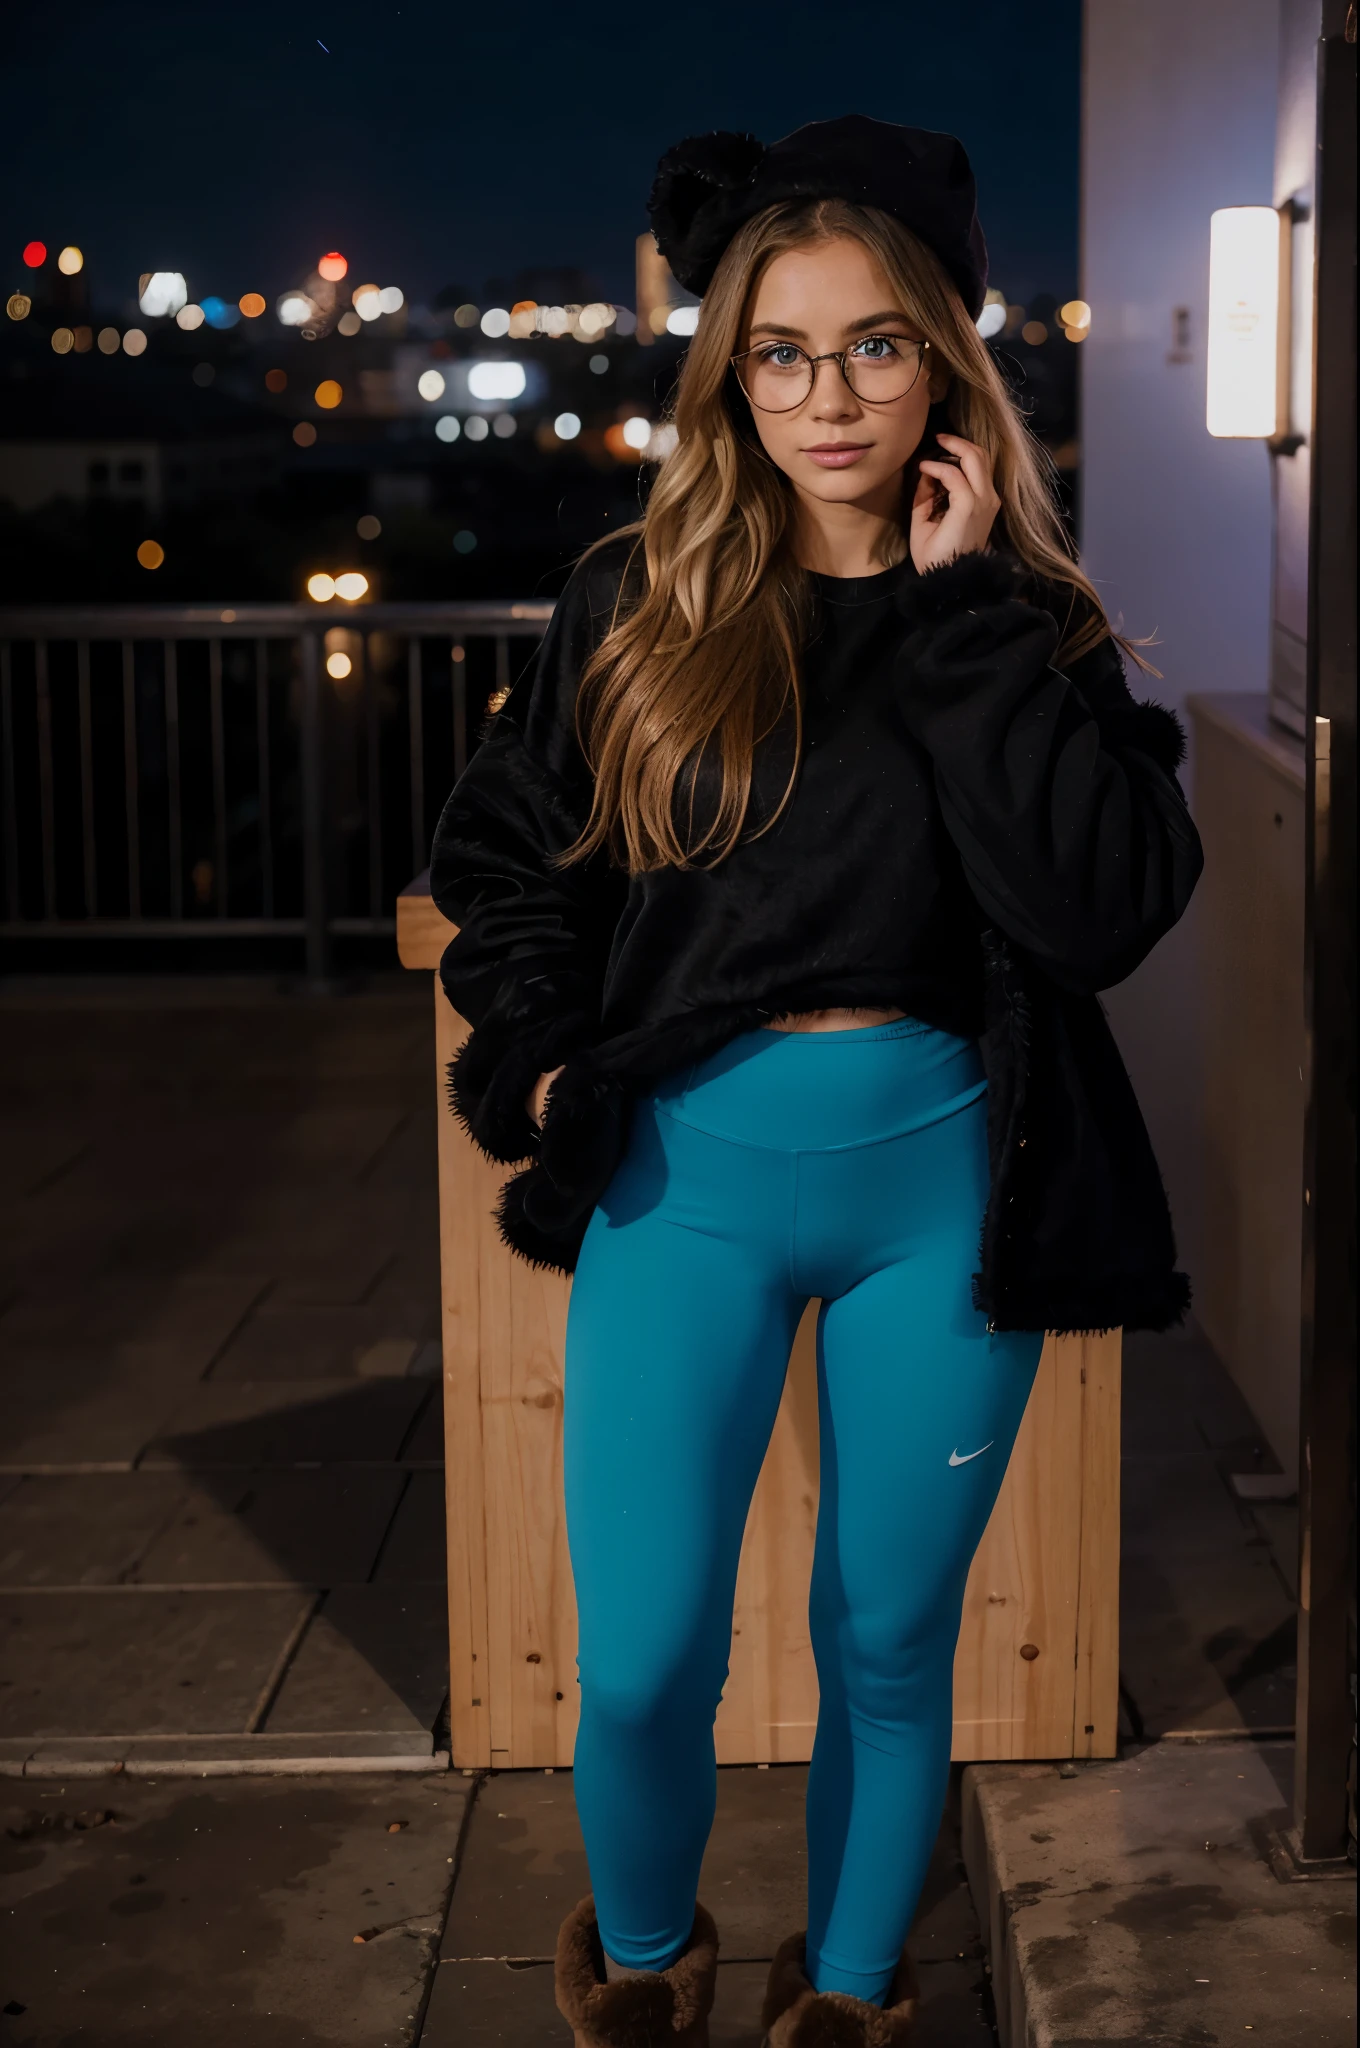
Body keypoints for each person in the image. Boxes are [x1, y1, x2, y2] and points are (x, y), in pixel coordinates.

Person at [430, 115, 1203, 2048]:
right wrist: (530, 1052)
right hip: (680, 1186)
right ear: (728, 373)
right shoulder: (638, 600)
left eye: (872, 344)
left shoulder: (1027, 630)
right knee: (644, 1662)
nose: (826, 392)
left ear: (943, 355)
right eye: (779, 349)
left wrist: (954, 633)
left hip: (935, 1201)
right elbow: (508, 853)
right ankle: (639, 1968)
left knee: (883, 1638)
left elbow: (1098, 910)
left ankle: (854, 1997)